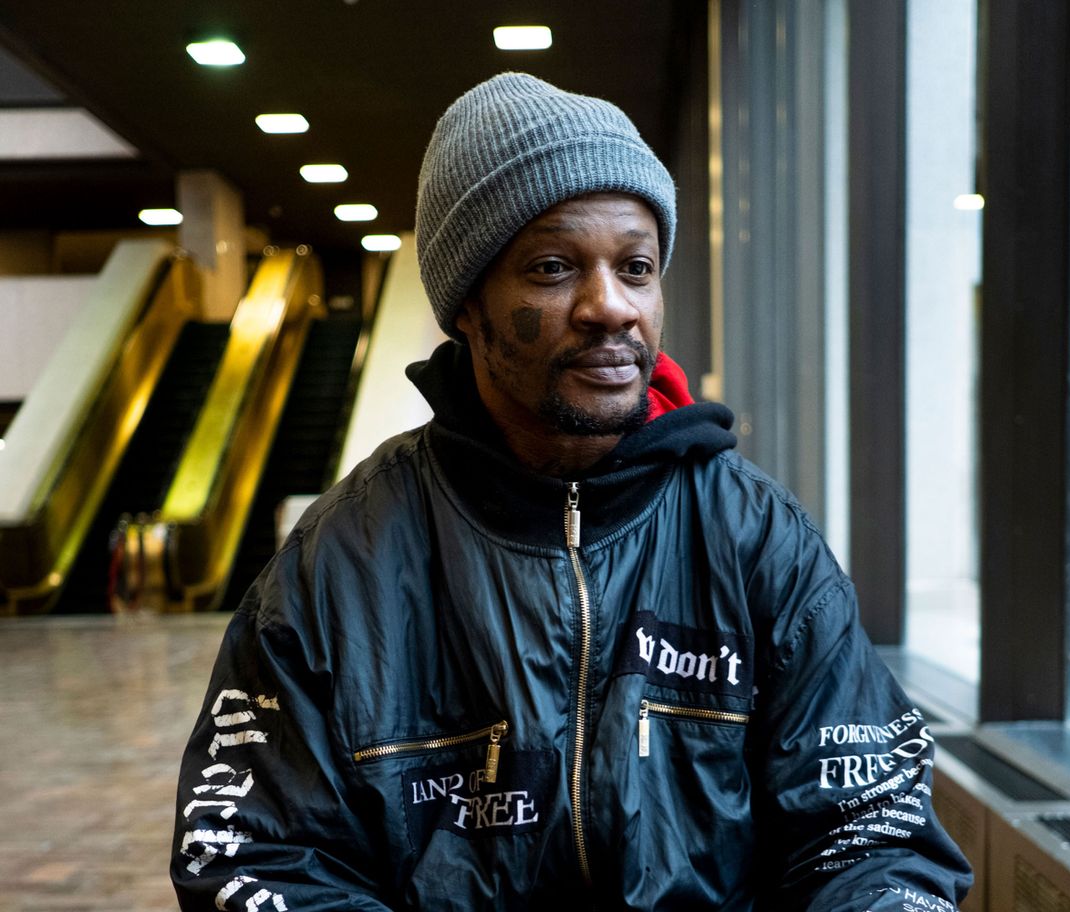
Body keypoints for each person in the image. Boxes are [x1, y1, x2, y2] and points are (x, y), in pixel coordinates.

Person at [171, 72, 972, 911]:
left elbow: (875, 831)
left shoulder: (756, 536)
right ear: (469, 307)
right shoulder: (340, 563)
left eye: (636, 267)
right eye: (554, 269)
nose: (609, 307)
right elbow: (254, 856)